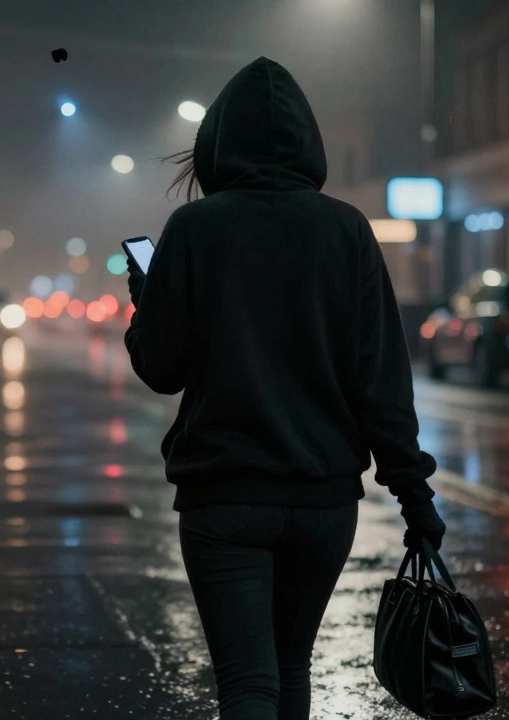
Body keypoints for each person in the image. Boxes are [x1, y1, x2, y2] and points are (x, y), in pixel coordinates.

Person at [124, 57, 446, 720]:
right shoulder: (346, 230)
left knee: (248, 681)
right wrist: (415, 497)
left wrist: (146, 301)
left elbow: (161, 368)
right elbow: (382, 379)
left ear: (216, 143)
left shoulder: (195, 229)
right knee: (291, 668)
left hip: (226, 496)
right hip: (324, 501)